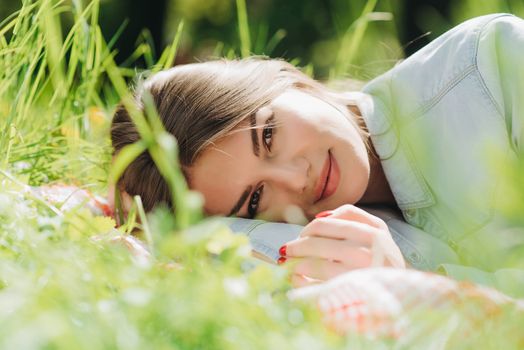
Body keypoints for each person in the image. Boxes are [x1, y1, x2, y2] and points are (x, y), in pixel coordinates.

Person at [110, 13, 524, 295]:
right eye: (255, 199)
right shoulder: (316, 247)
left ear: (287, 79)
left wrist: (421, 282)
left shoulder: (493, 64)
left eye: (269, 136)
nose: (295, 179)